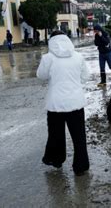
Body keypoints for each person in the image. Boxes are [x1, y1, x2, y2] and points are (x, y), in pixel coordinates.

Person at [36, 30, 90, 176]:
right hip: (76, 103)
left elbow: (41, 76)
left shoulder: (48, 58)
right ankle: (81, 166)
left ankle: (56, 160)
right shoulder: (78, 57)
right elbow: (86, 76)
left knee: (55, 134)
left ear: (51, 42)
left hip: (55, 104)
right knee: (79, 136)